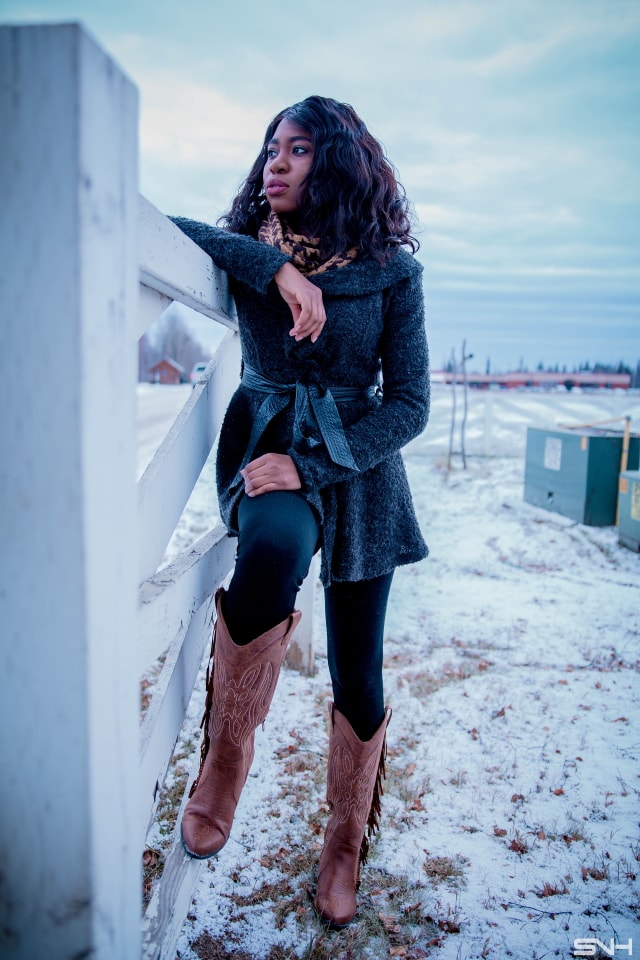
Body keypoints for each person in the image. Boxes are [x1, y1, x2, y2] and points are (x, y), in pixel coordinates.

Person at [169, 94, 429, 928]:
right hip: (271, 456)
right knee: (271, 554)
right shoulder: (255, 249)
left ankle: (345, 840)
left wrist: (315, 460)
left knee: (360, 668)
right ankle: (227, 758)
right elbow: (168, 225)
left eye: (300, 149)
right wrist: (274, 269)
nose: (276, 162)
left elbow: (412, 403)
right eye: (271, 148)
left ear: (339, 163)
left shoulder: (393, 273)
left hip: (359, 472)